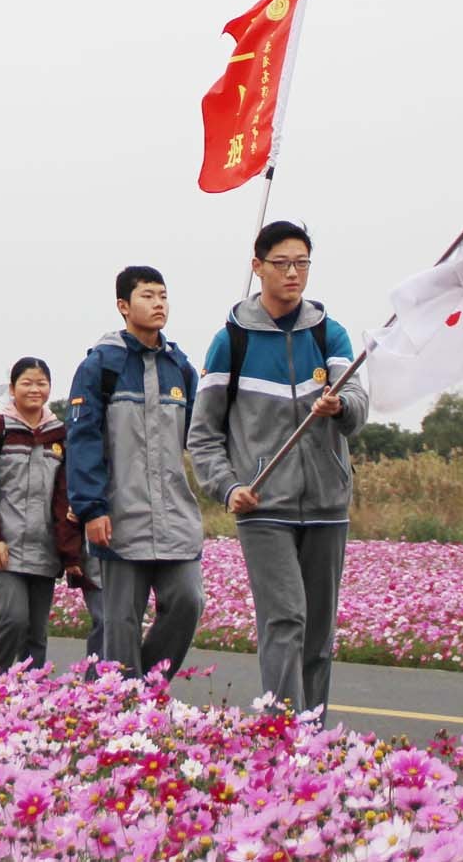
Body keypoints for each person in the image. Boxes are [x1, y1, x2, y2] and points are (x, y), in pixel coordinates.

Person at [189, 220, 367, 718]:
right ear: (257, 267)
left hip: (327, 503)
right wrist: (228, 488)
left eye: (302, 263)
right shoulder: (232, 341)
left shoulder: (329, 332)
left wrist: (341, 407)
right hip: (264, 505)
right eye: (282, 263)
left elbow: (356, 399)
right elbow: (203, 434)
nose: (293, 273)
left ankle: (314, 736)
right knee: (285, 618)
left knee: (318, 632)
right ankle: (282, 733)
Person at [67, 266, 205, 678]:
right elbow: (83, 440)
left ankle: (142, 688)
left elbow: (199, 436)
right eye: (148, 295)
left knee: (188, 600)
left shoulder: (180, 368)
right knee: (121, 624)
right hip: (120, 516)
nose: (159, 303)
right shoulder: (100, 367)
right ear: (123, 306)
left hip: (175, 517)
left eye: (163, 295)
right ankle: (122, 713)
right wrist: (91, 508)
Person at [0, 357, 85, 670]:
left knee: (36, 633)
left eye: (41, 383)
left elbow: (63, 498)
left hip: (43, 548)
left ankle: (32, 698)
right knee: (12, 619)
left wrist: (70, 554)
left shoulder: (58, 433)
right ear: (13, 388)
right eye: (27, 383)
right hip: (3, 548)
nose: (34, 389)